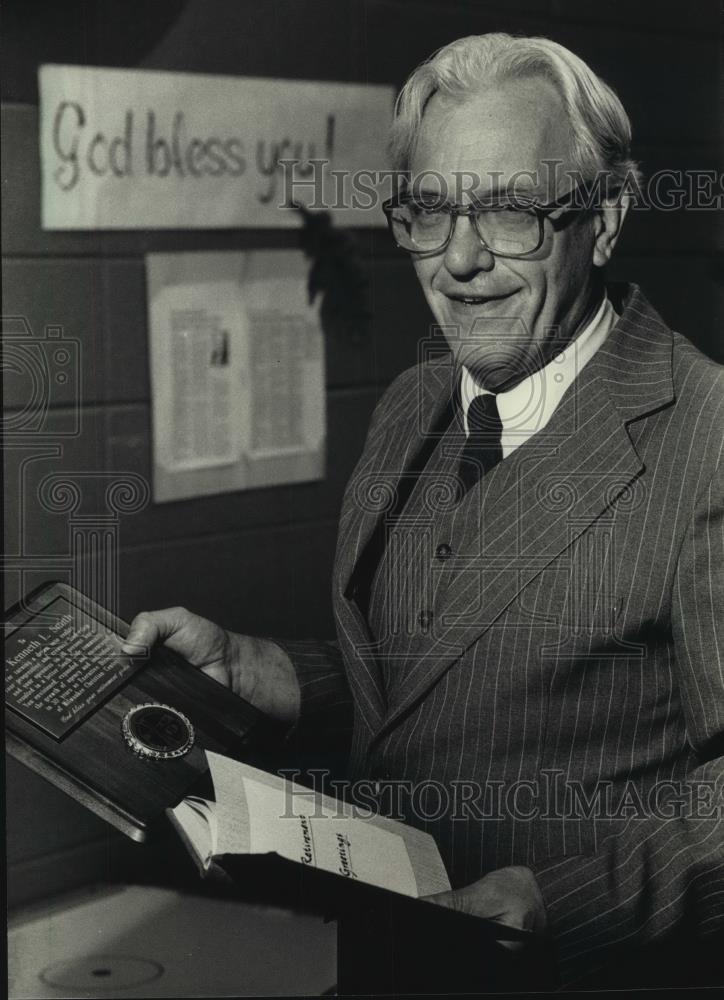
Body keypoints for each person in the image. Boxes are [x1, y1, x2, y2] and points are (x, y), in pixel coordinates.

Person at [123, 34, 724, 988]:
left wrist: (561, 903)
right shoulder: (415, 403)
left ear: (604, 218)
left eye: (511, 211)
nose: (460, 259)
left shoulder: (707, 437)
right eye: (432, 210)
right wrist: (257, 669)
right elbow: (429, 678)